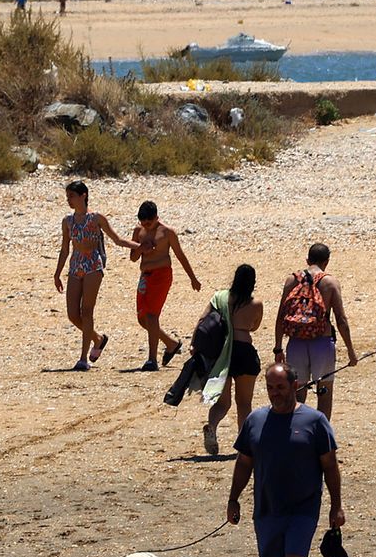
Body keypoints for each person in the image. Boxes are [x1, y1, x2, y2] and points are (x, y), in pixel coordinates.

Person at [226, 363, 344, 557]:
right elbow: (244, 463)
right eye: (270, 387)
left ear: (295, 385)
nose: (275, 393)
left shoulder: (314, 421)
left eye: (280, 387)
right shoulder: (255, 420)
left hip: (304, 505)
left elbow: (330, 465)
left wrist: (336, 506)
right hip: (267, 506)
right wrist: (233, 498)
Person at [54, 180, 139, 371]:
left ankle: (83, 358)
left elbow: (117, 239)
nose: (69, 200)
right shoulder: (67, 222)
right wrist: (57, 273)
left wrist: (140, 247)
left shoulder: (96, 218)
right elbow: (65, 249)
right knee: (72, 314)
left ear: (83, 195)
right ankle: (97, 338)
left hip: (93, 264)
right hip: (75, 265)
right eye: (68, 196)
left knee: (87, 311)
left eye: (72, 196)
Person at [274, 243, 358, 421]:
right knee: (324, 392)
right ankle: (321, 437)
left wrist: (278, 348)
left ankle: (296, 432)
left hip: (296, 343)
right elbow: (341, 320)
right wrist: (351, 350)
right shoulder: (330, 282)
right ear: (326, 262)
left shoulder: (292, 280)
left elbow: (281, 316)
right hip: (322, 343)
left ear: (307, 260)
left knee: (297, 393)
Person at [129, 201, 201, 372]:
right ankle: (171, 344)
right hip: (145, 276)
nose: (146, 226)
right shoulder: (138, 232)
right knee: (142, 319)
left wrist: (192, 278)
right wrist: (141, 248)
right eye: (143, 223)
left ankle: (151, 359)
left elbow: (180, 255)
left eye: (149, 223)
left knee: (152, 315)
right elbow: (133, 257)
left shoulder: (167, 232)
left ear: (156, 218)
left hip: (161, 275)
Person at [199, 264, 261, 455]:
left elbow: (203, 319)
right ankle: (244, 442)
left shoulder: (220, 297)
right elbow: (254, 326)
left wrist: (196, 345)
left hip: (222, 354)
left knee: (222, 402)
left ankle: (212, 426)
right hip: (244, 351)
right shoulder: (255, 303)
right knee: (244, 403)